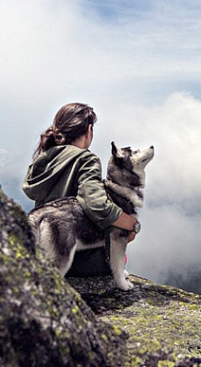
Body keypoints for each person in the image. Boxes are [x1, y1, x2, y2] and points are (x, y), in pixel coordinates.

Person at [22, 103, 138, 276]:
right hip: (75, 259)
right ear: (89, 130)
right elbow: (96, 204)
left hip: (43, 250)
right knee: (120, 256)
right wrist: (131, 224)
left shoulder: (44, 159)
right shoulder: (86, 159)